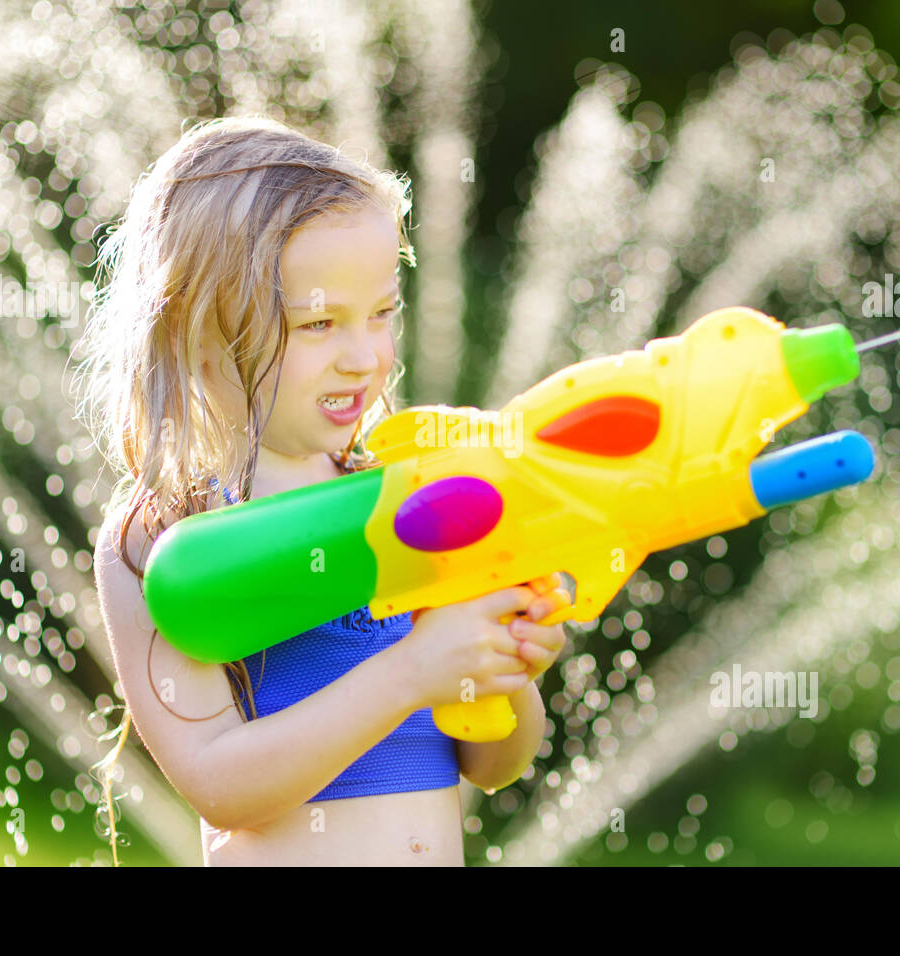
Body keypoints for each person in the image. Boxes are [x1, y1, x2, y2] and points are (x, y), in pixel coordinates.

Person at [69, 116, 570, 865]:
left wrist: (507, 665)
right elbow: (219, 783)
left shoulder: (407, 502)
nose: (363, 356)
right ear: (201, 333)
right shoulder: (169, 535)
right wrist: (411, 671)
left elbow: (494, 767)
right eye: (318, 324)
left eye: (382, 313)